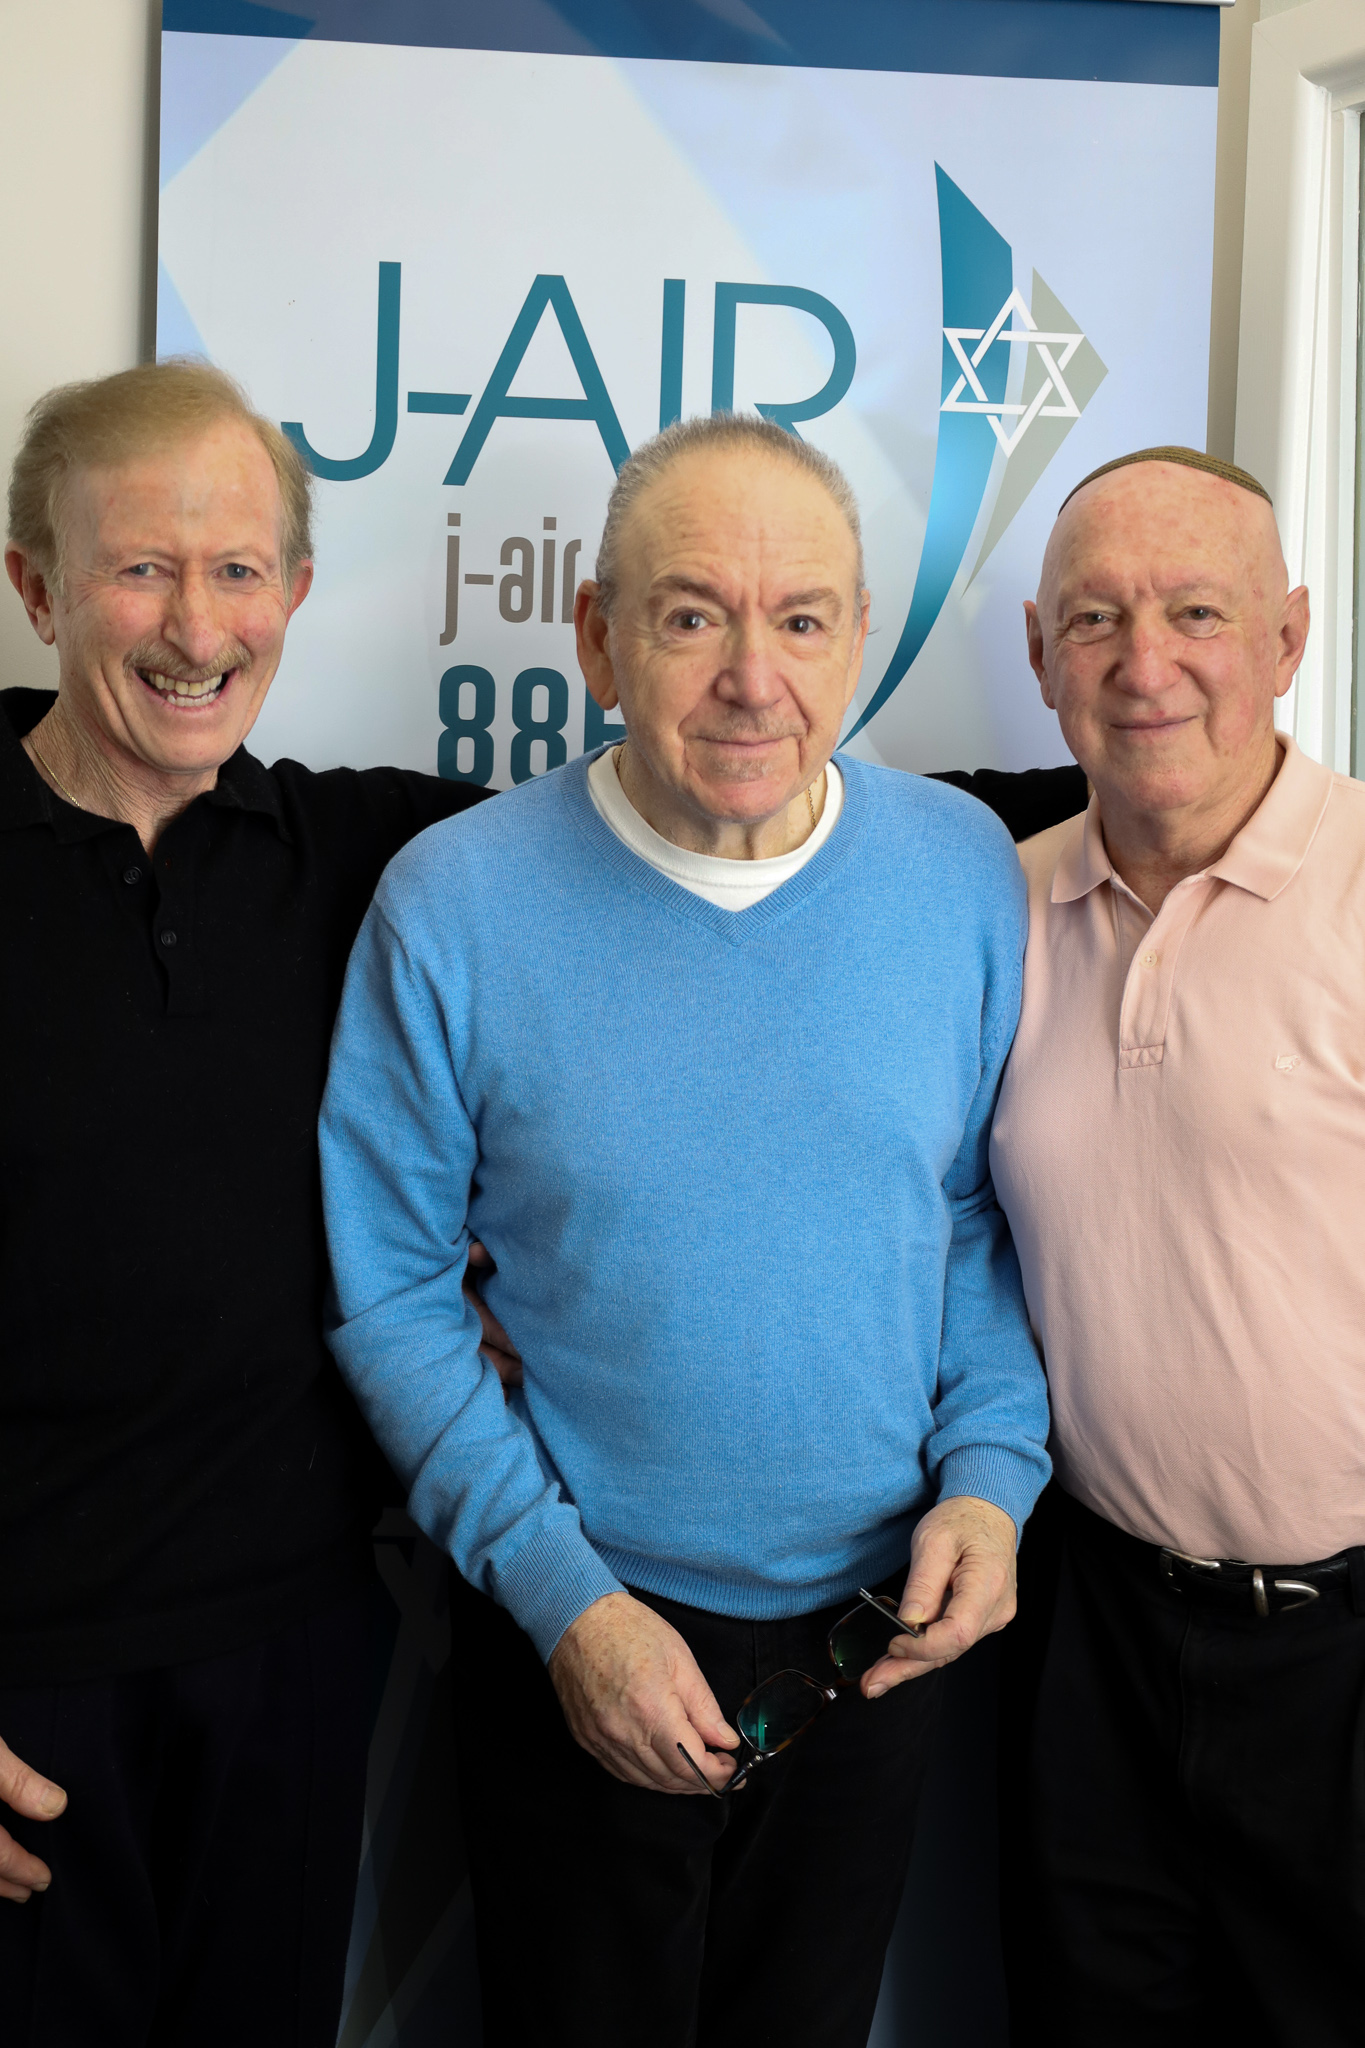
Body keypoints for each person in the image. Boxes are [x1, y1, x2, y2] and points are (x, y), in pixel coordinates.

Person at [319, 411, 1052, 2048]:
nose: (751, 678)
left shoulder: (961, 878)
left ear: (860, 640)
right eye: (691, 615)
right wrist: (567, 1606)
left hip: (878, 1646)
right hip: (575, 1631)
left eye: (801, 619)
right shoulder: (452, 904)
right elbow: (394, 1296)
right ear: (597, 638)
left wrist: (994, 1484)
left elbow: (968, 1222)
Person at [0, 359, 490, 2047]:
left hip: (298, 1657)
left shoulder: (379, 863)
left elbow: (693, 818)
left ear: (295, 587)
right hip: (22, 1685)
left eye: (235, 571)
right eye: (141, 568)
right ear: (38, 587)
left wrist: (1135, 796)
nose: (195, 627)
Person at [989, 446, 1361, 2045]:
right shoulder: (990, 913)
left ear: (1289, 638)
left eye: (1197, 612)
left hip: (1345, 1660)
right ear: (1039, 654)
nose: (1145, 665)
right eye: (1096, 618)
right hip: (1091, 1636)